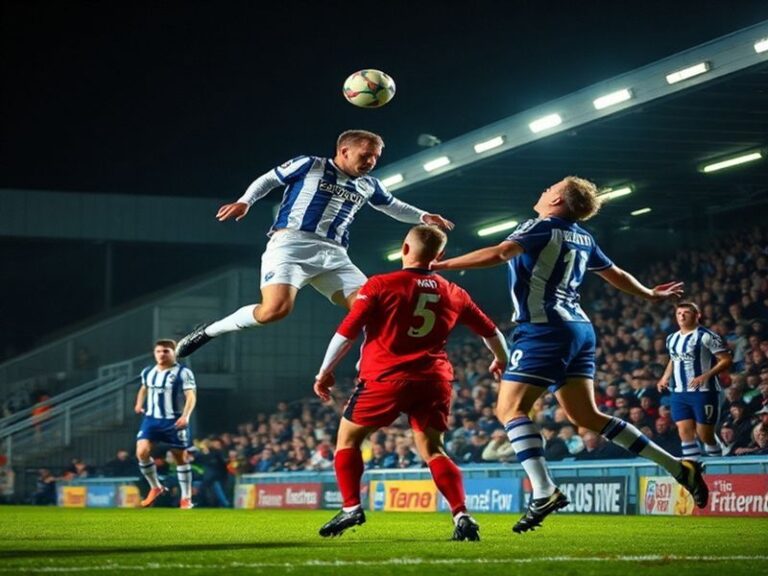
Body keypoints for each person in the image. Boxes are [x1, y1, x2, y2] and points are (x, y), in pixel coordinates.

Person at [431, 176, 709, 533]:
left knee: (509, 409)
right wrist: (649, 294)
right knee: (586, 415)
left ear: (558, 199)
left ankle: (544, 490)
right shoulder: (584, 236)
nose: (543, 189)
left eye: (550, 188)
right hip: (579, 329)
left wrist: (441, 266)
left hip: (544, 328)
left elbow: (501, 253)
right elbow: (616, 273)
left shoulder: (541, 227)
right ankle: (677, 467)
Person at [175, 130, 453, 358]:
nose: (371, 161)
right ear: (344, 151)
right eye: (365, 155)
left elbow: (391, 205)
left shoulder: (370, 184)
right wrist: (245, 201)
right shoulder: (310, 164)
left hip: (335, 255)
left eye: (375, 157)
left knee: (372, 308)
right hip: (291, 245)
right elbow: (270, 178)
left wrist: (423, 216)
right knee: (274, 310)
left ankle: (375, 368)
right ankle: (210, 331)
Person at [312, 225, 509, 541]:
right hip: (434, 380)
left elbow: (346, 332)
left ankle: (351, 508)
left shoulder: (380, 284)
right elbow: (491, 332)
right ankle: (462, 515)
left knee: (347, 440)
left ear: (404, 248)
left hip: (384, 378)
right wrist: (501, 358)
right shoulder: (455, 292)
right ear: (439, 256)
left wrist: (324, 372)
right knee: (433, 449)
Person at [656, 302, 733, 460]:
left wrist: (706, 375)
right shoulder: (672, 338)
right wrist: (665, 377)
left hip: (704, 392)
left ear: (697, 315)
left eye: (686, 313)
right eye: (679, 313)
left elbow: (725, 360)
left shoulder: (707, 336)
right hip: (679, 392)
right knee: (684, 432)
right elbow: (674, 359)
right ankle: (693, 469)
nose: (682, 316)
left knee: (705, 435)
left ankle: (717, 463)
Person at [134, 339, 197, 509]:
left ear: (174, 353)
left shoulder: (183, 372)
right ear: (154, 354)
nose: (162, 354)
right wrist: (139, 403)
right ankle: (156, 487)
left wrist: (186, 416)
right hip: (151, 419)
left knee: (180, 459)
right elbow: (144, 388)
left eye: (166, 351)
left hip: (174, 420)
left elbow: (191, 396)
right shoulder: (148, 371)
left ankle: (186, 498)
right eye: (159, 351)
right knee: (142, 452)